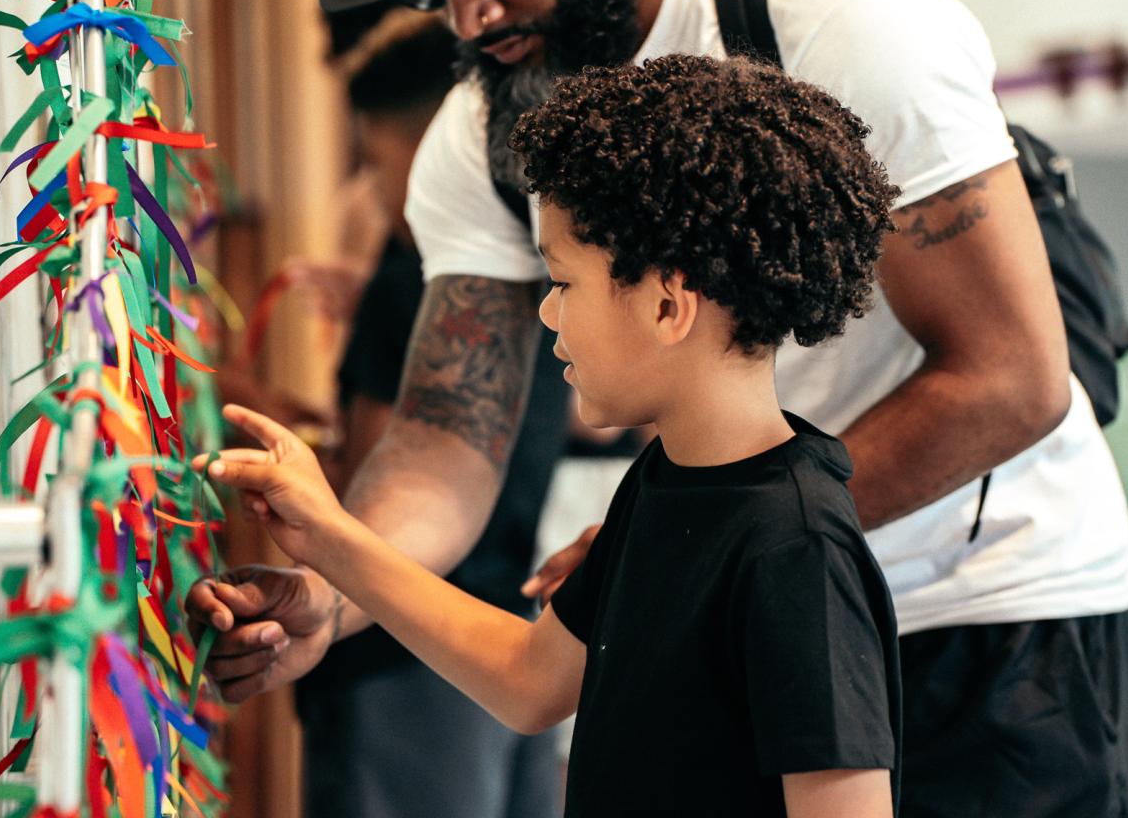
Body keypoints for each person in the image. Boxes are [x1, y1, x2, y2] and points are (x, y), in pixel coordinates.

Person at [190, 0, 1128, 815]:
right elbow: (450, 436)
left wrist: (696, 551)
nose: (467, 14)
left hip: (991, 623)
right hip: (732, 616)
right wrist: (329, 587)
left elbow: (1011, 378)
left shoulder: (839, 14)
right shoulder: (483, 132)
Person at [199, 54, 903, 818]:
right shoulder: (662, 483)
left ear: (669, 306)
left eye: (563, 285)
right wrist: (328, 541)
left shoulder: (797, 551)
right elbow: (528, 679)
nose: (546, 314)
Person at [272, 13, 569, 818]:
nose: (375, 188)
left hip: (398, 647)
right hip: (509, 635)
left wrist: (267, 431)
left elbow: (367, 481)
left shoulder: (412, 280)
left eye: (375, 160)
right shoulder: (548, 275)